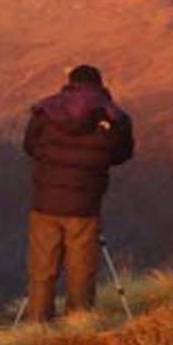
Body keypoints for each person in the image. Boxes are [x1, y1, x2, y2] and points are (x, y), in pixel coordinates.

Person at [22, 65, 135, 323]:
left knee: (42, 270)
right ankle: (77, 326)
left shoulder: (46, 110)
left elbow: (30, 145)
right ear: (99, 84)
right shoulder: (114, 116)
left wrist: (49, 161)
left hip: (44, 203)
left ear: (70, 83)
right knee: (81, 271)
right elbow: (123, 154)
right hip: (85, 205)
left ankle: (36, 327)